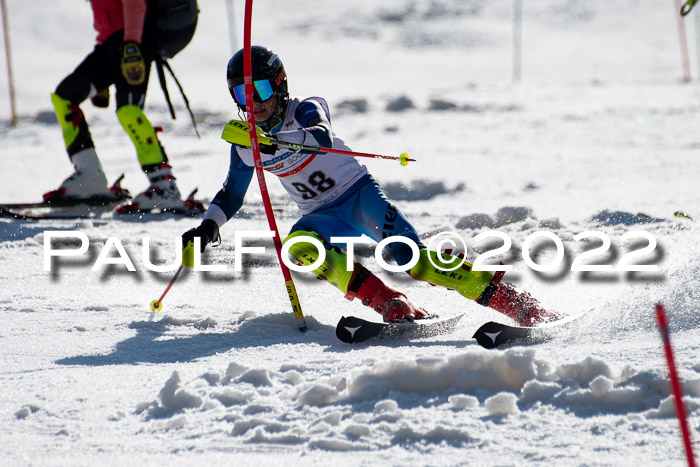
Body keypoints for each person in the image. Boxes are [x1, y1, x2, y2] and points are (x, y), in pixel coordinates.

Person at [182, 45, 561, 325]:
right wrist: (208, 226)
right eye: (242, 95)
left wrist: (280, 141)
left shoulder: (305, 108)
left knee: (415, 262)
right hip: (322, 217)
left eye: (261, 91)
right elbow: (232, 193)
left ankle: (514, 303)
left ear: (280, 86)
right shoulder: (244, 142)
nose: (255, 104)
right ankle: (389, 303)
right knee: (299, 246)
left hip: (360, 198)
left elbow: (322, 134)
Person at [44, 0, 184, 213]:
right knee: (65, 97)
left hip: (134, 42)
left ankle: (165, 187)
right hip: (108, 45)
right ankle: (90, 176)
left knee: (129, 111)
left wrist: (132, 43)